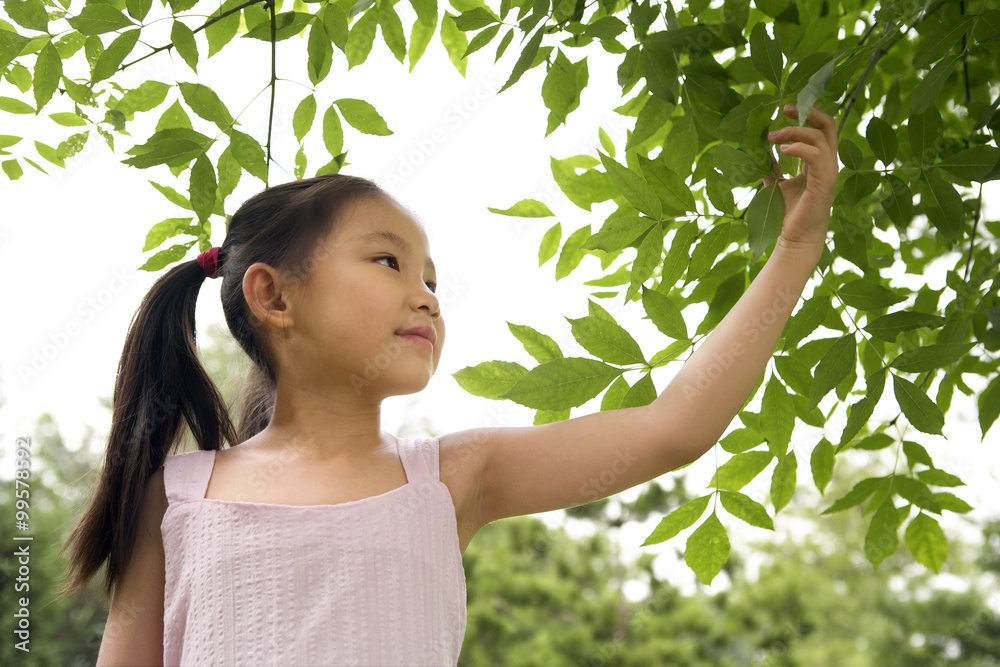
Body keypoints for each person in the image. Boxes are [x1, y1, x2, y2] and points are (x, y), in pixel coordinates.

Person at [58, 103, 838, 666]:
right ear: (273, 296)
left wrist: (795, 252)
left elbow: (676, 426)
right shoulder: (179, 494)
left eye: (432, 277)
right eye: (388, 261)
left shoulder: (453, 478)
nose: (427, 294)